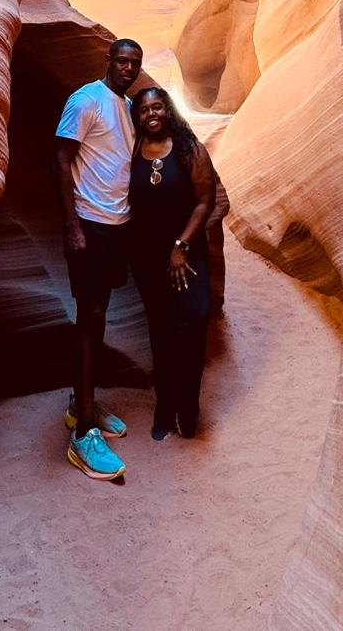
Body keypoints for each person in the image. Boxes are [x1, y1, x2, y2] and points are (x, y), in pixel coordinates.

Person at [54, 37, 144, 481]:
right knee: (88, 319)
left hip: (116, 227)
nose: (128, 68)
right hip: (89, 225)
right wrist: (71, 226)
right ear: (107, 60)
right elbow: (61, 158)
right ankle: (83, 434)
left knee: (98, 314)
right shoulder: (86, 99)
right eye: (122, 60)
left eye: (135, 63)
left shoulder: (127, 107)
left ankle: (80, 403)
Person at [128, 86, 215, 440]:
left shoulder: (189, 149)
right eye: (145, 109)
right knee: (160, 330)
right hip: (147, 257)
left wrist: (181, 245)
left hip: (187, 253)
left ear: (168, 111)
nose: (152, 114)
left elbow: (205, 201)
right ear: (138, 116)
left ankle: (188, 406)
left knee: (194, 323)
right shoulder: (133, 150)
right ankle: (165, 407)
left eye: (158, 107)